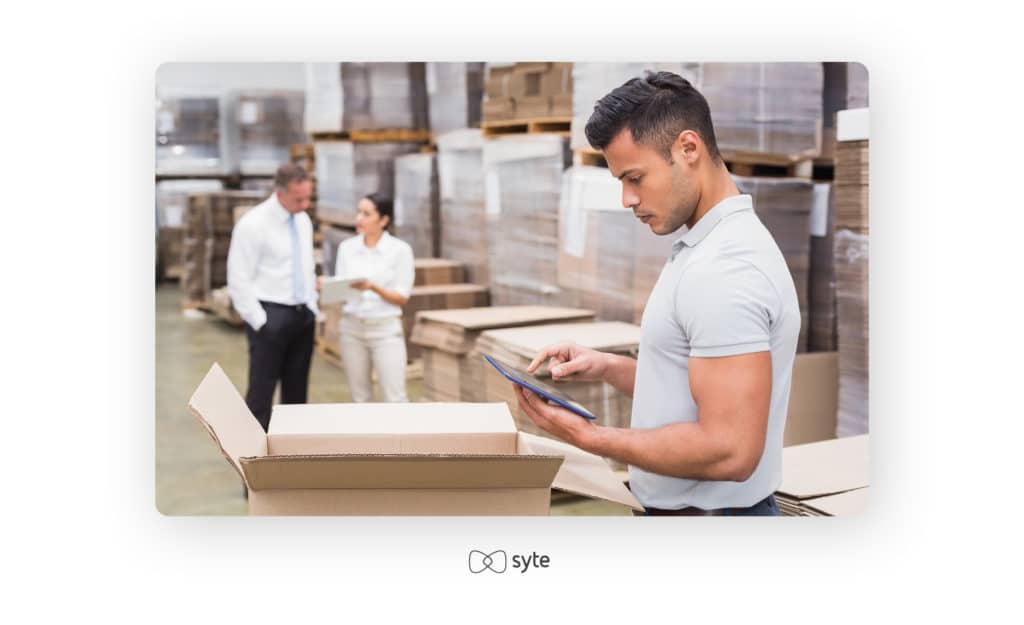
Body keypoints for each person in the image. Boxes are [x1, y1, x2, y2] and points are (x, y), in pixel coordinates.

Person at [513, 72, 801, 516]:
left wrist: (591, 438)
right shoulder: (705, 247)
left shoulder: (724, 269)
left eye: (635, 177)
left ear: (689, 149)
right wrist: (608, 366)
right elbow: (695, 384)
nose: (627, 199)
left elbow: (731, 450)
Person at [226, 163, 318, 432]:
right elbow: (238, 277)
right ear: (280, 194)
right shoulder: (253, 225)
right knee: (261, 391)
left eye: (308, 197)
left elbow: (305, 264)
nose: (305, 204)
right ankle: (252, 461)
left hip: (302, 315)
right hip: (270, 315)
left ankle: (292, 454)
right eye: (298, 198)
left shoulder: (302, 219)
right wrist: (260, 321)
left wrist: (312, 306)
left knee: (297, 392)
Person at [332, 193, 414, 402]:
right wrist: (329, 288)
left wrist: (372, 287)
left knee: (395, 398)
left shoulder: (400, 251)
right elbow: (342, 291)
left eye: (367, 214)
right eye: (358, 212)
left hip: (385, 330)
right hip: (352, 328)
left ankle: (399, 436)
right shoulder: (347, 248)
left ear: (384, 220)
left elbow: (401, 298)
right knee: (360, 399)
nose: (359, 218)